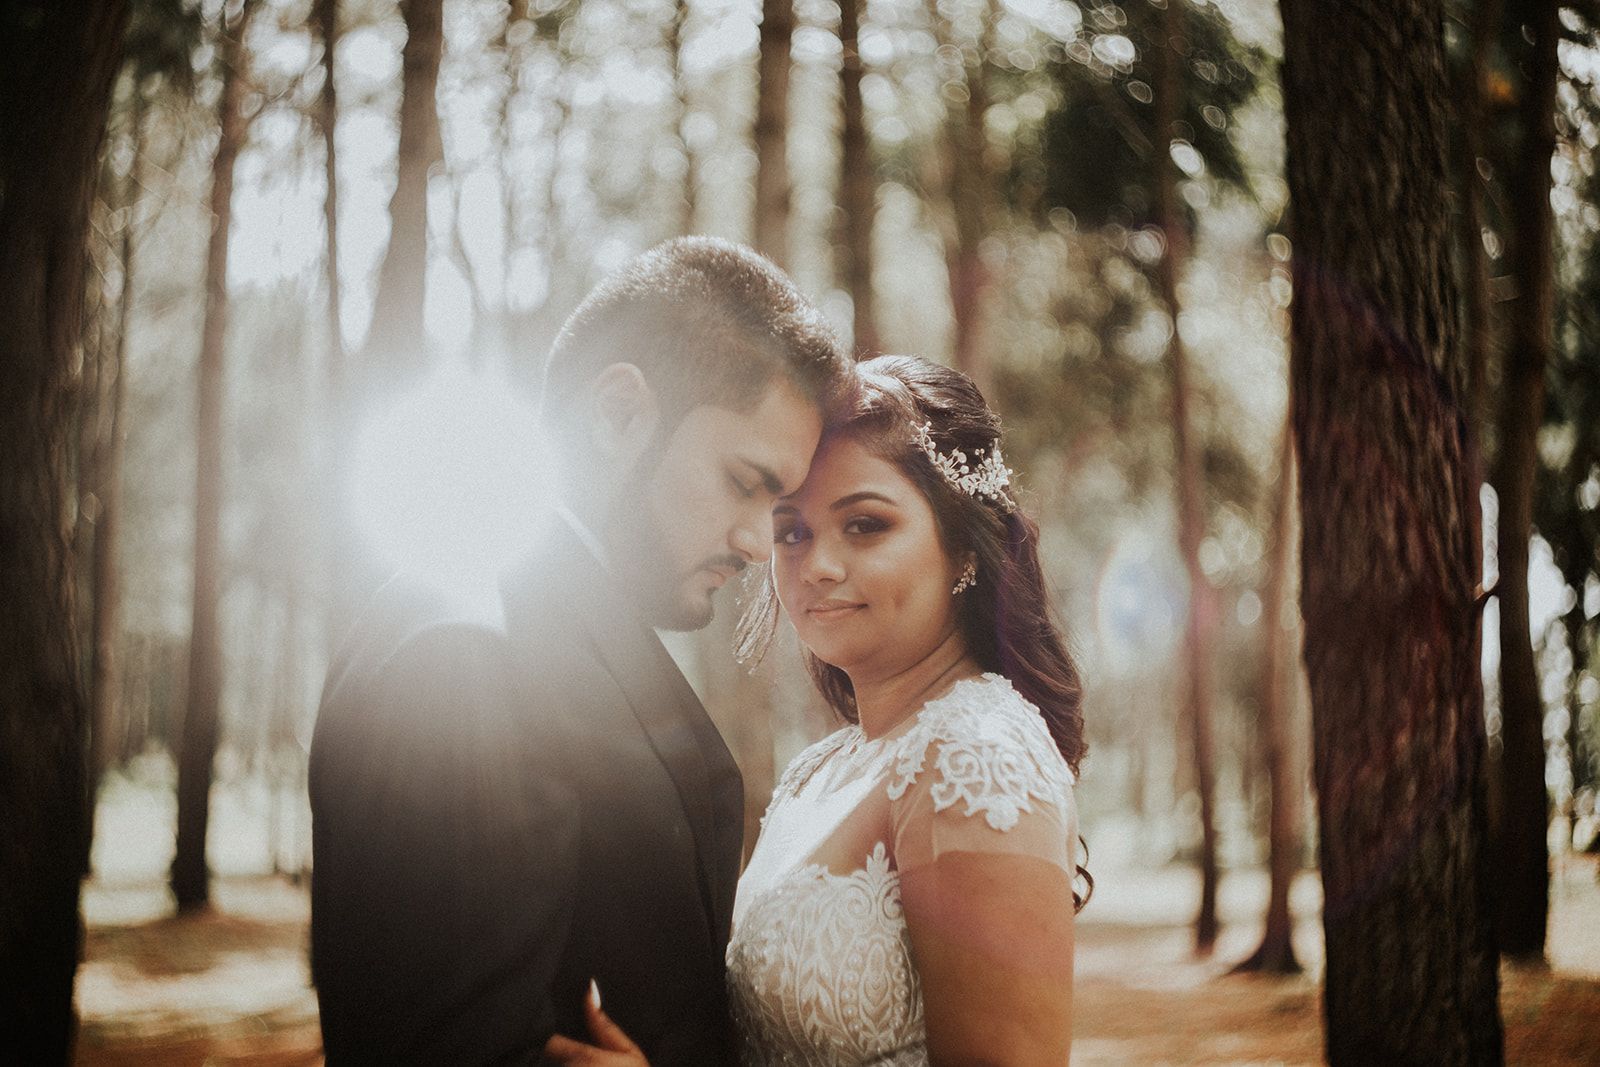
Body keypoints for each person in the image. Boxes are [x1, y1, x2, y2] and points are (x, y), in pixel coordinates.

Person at [308, 236, 851, 1065]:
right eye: (746, 482)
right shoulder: (467, 654)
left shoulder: (546, 623)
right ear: (619, 412)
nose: (755, 542)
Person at [550, 354, 1090, 1066]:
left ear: (961, 543)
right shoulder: (822, 770)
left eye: (864, 525)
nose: (818, 565)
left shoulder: (978, 754)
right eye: (791, 531)